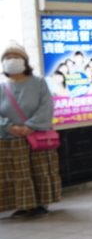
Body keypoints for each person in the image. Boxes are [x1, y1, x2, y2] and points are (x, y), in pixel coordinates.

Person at [0, 45, 61, 218]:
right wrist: (9, 126)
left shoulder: (39, 82)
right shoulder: (2, 86)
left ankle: (41, 204)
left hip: (36, 136)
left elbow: (46, 106)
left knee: (40, 170)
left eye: (15, 56)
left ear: (25, 61)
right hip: (9, 138)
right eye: (7, 57)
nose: (11, 60)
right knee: (16, 172)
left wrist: (30, 126)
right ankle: (23, 205)